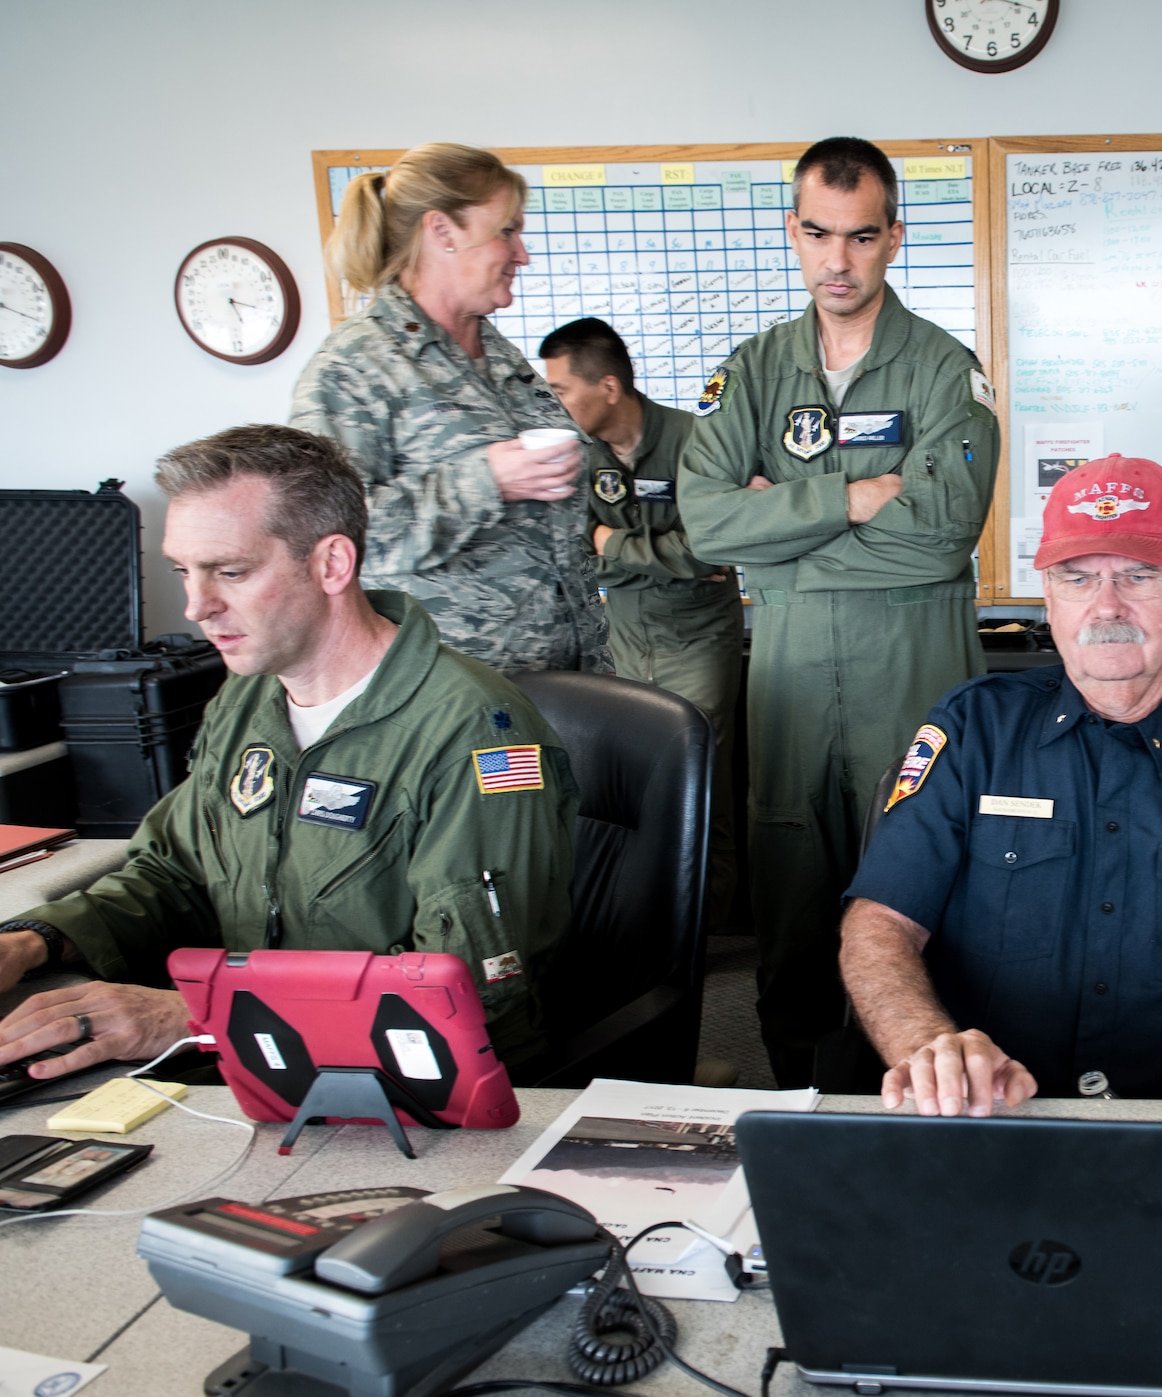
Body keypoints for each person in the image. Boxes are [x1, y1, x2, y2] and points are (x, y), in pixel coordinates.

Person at [0, 426, 579, 1077]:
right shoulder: (246, 699)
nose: (196, 606)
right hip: (263, 1059)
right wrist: (34, 941)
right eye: (183, 571)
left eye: (231, 571)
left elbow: (461, 996)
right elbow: (176, 873)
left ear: (332, 563)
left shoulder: (477, 733)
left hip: (423, 1088)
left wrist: (191, 1018)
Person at [840, 457, 1162, 1115]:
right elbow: (878, 926)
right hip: (990, 1119)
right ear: (1048, 592)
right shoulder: (974, 730)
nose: (1107, 605)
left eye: (1139, 575)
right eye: (1078, 577)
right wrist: (932, 1049)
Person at [678, 136, 1000, 1087]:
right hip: (786, 680)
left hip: (909, 670)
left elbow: (941, 535)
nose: (838, 261)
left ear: (894, 238)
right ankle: (798, 1096)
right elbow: (704, 520)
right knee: (790, 896)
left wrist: (777, 525)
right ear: (794, 230)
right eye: (818, 234)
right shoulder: (755, 370)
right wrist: (850, 498)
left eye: (861, 238)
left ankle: (926, 1092)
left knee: (918, 889)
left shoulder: (945, 372)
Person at [291, 142, 606, 673]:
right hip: (457, 703)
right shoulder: (352, 369)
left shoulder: (496, 352)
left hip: (566, 682)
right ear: (442, 232)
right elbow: (331, 546)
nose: (522, 253)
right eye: (507, 231)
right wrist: (486, 481)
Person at [540, 316, 743, 934]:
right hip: (620, 641)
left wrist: (612, 544)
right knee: (631, 787)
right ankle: (649, 929)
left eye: (560, 389)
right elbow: (575, 549)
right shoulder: (574, 458)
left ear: (607, 386)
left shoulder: (696, 440)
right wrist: (652, 553)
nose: (553, 402)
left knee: (698, 783)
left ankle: (710, 929)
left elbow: (713, 549)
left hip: (696, 640)